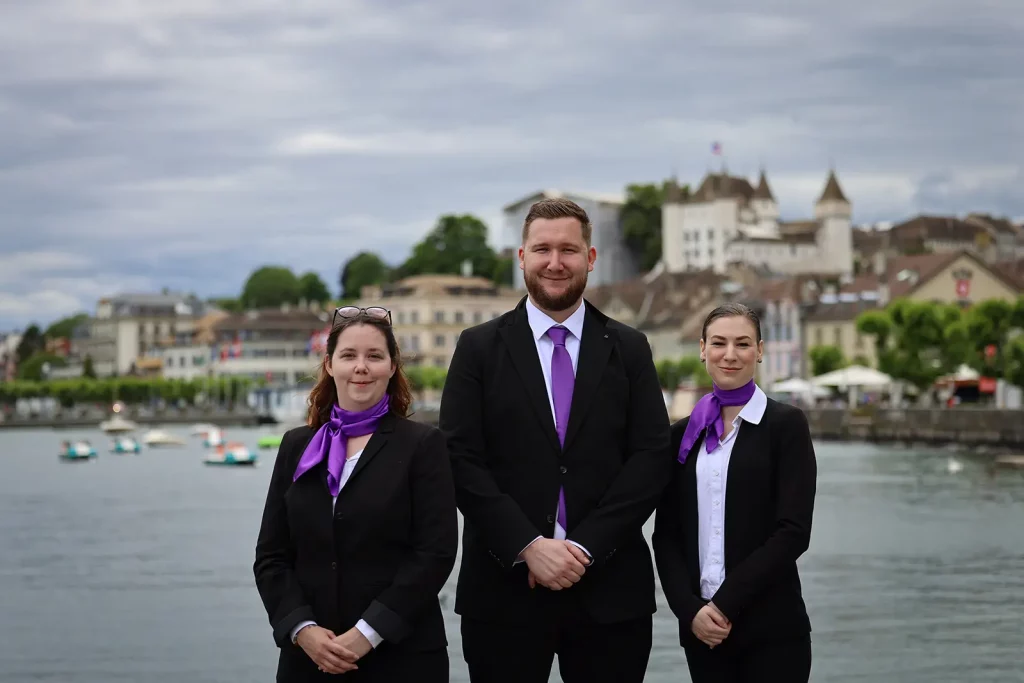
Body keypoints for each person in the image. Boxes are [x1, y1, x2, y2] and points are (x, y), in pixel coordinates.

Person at [439, 197, 673, 682]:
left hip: (611, 592)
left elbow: (650, 459)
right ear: (521, 257)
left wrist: (583, 548)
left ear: (591, 257)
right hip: (503, 592)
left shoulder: (630, 349)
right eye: (542, 249)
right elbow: (460, 459)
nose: (555, 262)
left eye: (568, 250)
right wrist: (528, 545)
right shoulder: (477, 348)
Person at [254, 305, 458, 682]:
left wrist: (367, 633)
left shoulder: (423, 445)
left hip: (403, 659)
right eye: (349, 355)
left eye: (374, 356)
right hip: (309, 661)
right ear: (330, 365)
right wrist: (302, 629)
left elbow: (435, 553)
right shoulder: (295, 446)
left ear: (392, 367)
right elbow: (272, 557)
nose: (361, 367)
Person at [652, 303, 817, 683]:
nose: (730, 354)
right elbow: (666, 536)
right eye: (719, 343)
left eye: (742, 344)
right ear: (702, 349)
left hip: (773, 629)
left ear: (759, 351)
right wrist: (689, 611)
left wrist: (724, 604)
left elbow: (793, 531)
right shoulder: (681, 436)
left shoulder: (786, 425)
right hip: (703, 632)